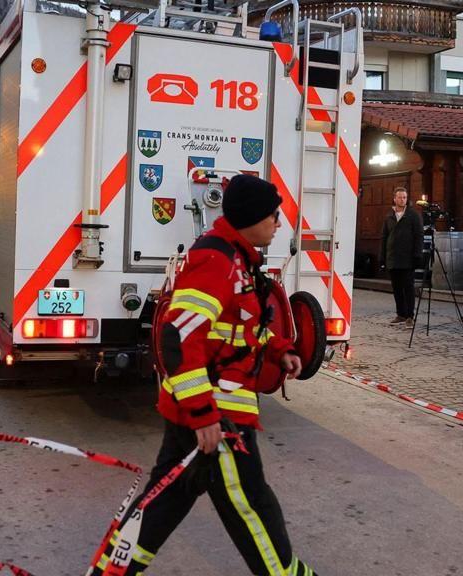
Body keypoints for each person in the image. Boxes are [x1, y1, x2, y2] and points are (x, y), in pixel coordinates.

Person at [91, 174, 316, 576]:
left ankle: (112, 572)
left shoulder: (238, 261)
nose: (279, 222)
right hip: (219, 418)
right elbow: (178, 337)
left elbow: (238, 327)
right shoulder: (217, 262)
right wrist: (204, 414)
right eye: (273, 215)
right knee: (252, 508)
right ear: (251, 218)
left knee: (163, 503)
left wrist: (280, 351)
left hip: (207, 415)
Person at [380, 186, 423, 325]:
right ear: (394, 199)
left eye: (404, 197)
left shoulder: (413, 215)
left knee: (408, 288)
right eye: (400, 197)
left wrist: (417, 255)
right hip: (393, 258)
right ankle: (401, 314)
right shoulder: (389, 216)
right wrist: (382, 257)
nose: (402, 199)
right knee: (397, 288)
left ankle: (410, 316)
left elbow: (419, 236)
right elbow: (384, 238)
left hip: (408, 259)